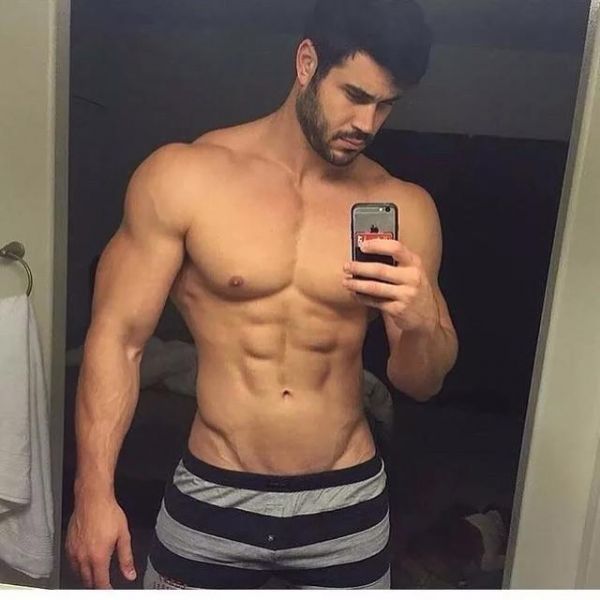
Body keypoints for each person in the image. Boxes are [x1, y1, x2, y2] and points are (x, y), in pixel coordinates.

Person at [65, 0, 458, 590]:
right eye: (354, 95)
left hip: (345, 502)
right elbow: (117, 341)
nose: (367, 123)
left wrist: (423, 318)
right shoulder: (185, 178)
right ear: (307, 62)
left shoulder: (405, 206)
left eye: (386, 105)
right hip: (213, 492)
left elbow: (420, 382)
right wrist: (92, 495)